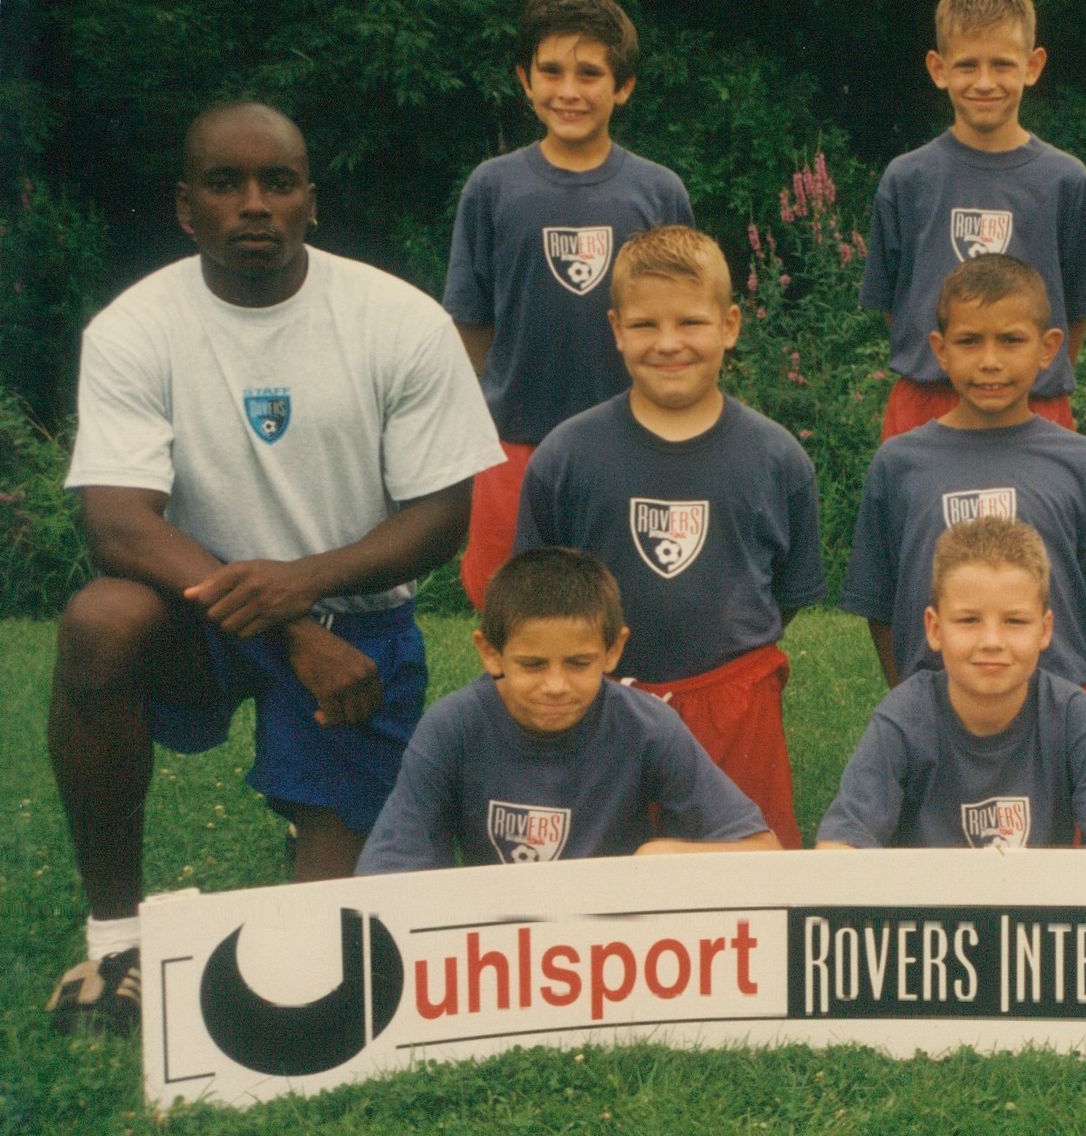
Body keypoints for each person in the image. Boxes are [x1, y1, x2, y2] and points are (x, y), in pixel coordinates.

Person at [45, 102, 502, 1032]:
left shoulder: (398, 321)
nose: (254, 204)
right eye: (226, 184)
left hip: (357, 627)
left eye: (278, 183)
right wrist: (289, 621)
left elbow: (441, 517)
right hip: (200, 618)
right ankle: (116, 943)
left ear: (311, 202)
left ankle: (315, 813)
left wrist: (309, 590)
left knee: (322, 947)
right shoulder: (134, 328)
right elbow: (117, 524)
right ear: (186, 207)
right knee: (100, 620)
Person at [515, 225, 825, 849]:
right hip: (603, 702)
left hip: (734, 703)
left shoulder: (777, 457)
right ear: (616, 330)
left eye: (690, 322)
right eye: (645, 325)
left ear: (730, 325)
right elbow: (535, 595)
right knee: (605, 868)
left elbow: (786, 593)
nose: (668, 343)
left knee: (748, 869)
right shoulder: (567, 456)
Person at [442, 0, 695, 608]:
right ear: (524, 79)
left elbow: (686, 323)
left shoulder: (658, 191)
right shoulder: (492, 187)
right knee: (513, 609)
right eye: (551, 71)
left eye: (590, 73)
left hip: (632, 440)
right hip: (514, 440)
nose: (569, 91)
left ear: (623, 86)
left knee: (626, 604)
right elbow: (471, 324)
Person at [357, 548, 778, 872]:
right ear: (490, 653)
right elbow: (387, 871)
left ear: (613, 650)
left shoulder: (647, 726)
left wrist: (662, 857)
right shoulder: (453, 727)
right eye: (532, 665)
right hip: (494, 940)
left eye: (578, 663)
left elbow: (762, 849)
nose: (556, 686)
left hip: (616, 940)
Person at [841, 255, 1086, 693]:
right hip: (936, 704)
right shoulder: (898, 464)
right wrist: (909, 699)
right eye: (970, 341)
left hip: (1055, 703)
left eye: (1011, 340)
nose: (990, 361)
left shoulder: (1084, 464)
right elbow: (880, 606)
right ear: (940, 350)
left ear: (1048, 348)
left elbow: (1082, 597)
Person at [862, 0, 1086, 439]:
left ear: (1032, 66)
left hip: (1034, 408)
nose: (985, 82)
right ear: (938, 69)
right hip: (927, 406)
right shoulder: (907, 179)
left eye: (1002, 65)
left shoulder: (1064, 180)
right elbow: (896, 305)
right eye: (968, 65)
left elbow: (1076, 309)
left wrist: (1023, 376)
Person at [818, 518, 1086, 848]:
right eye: (969, 620)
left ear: (1045, 630)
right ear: (934, 629)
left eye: (1014, 621)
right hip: (930, 885)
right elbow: (841, 843)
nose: (991, 641)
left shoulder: (1074, 717)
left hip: (1041, 885)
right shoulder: (904, 717)